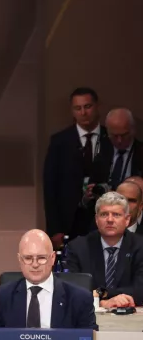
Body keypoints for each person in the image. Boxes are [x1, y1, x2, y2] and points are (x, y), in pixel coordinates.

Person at [0, 229, 96, 329]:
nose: (35, 264)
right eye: (28, 258)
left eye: (41, 258)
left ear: (52, 258)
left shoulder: (80, 299)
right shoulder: (2, 296)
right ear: (20, 260)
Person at [44, 88, 109, 248]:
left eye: (87, 107)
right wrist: (54, 229)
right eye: (78, 108)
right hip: (69, 222)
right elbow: (50, 188)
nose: (83, 113)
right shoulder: (59, 142)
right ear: (72, 111)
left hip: (105, 218)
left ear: (97, 106)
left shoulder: (111, 138)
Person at [65, 191, 143, 308]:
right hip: (89, 316)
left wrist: (100, 294)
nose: (110, 220)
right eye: (104, 214)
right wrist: (103, 303)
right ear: (96, 219)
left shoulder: (140, 246)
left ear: (127, 220)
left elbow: (140, 290)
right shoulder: (78, 247)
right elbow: (72, 290)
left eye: (116, 215)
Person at [92, 109, 142, 191]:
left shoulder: (140, 152)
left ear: (133, 130)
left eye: (124, 135)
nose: (119, 140)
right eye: (114, 136)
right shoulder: (101, 151)